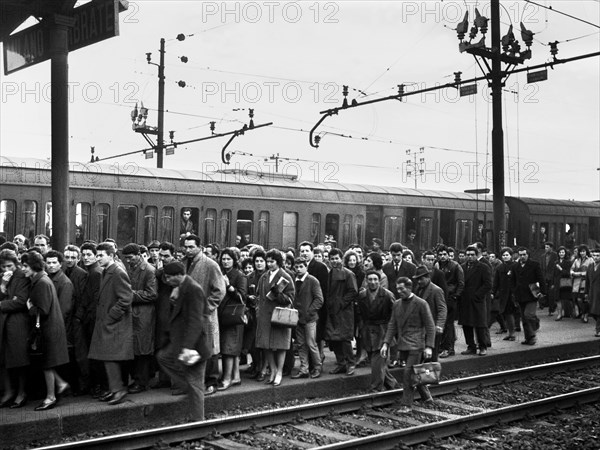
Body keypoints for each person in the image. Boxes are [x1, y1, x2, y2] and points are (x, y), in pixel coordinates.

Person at [156, 261, 211, 421]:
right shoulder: (182, 286)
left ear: (178, 276)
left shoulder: (193, 289)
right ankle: (186, 387)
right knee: (163, 357)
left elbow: (196, 321)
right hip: (180, 341)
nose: (167, 281)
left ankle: (198, 422)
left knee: (195, 384)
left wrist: (187, 347)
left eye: (168, 278)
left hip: (194, 345)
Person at [22, 251, 70, 411]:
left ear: (33, 266)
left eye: (25, 266)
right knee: (47, 363)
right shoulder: (42, 279)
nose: (23, 269)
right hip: (51, 328)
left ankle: (51, 397)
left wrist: (30, 308)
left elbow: (43, 310)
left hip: (48, 329)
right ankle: (61, 385)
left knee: (47, 363)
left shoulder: (41, 282)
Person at [88, 242, 134, 406]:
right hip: (109, 323)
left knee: (110, 358)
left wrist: (110, 317)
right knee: (107, 358)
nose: (97, 258)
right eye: (97, 255)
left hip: (114, 324)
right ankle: (115, 389)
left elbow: (126, 298)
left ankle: (118, 390)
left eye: (101, 255)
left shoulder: (117, 272)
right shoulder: (107, 271)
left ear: (111, 255)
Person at [381, 277, 435, 413]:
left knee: (408, 374)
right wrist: (386, 343)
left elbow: (430, 326)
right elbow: (392, 325)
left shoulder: (421, 303)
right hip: (403, 344)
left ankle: (407, 404)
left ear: (409, 288)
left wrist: (429, 346)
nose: (399, 291)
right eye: (397, 289)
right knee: (415, 372)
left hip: (417, 345)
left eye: (402, 289)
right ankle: (427, 397)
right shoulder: (397, 304)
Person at [183, 235, 225, 396]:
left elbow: (219, 290)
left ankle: (211, 382)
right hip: (189, 315)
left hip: (205, 315)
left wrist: (205, 307)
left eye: (191, 247)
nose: (187, 250)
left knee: (210, 347)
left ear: (199, 247)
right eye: (185, 247)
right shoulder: (184, 263)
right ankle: (195, 381)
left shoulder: (210, 265)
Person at [255, 249, 295, 386]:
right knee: (266, 344)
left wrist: (278, 294)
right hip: (265, 315)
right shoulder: (264, 277)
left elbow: (290, 298)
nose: (269, 264)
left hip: (280, 315)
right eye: (268, 261)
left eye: (272, 261)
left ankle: (279, 372)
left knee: (280, 345)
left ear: (278, 262)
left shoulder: (286, 276)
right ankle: (272, 370)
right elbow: (259, 296)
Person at [122, 243, 157, 394]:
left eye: (130, 258)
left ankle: (141, 382)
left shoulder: (149, 270)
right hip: (134, 313)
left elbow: (152, 294)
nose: (128, 261)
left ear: (138, 255)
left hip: (144, 315)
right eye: (126, 258)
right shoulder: (132, 268)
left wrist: (130, 295)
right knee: (135, 348)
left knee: (143, 349)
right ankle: (137, 380)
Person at [357, 270, 398, 392]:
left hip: (382, 331)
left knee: (377, 360)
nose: (373, 282)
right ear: (366, 281)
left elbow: (394, 314)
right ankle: (392, 384)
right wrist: (360, 328)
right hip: (367, 330)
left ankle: (376, 387)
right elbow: (359, 313)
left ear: (379, 281)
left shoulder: (387, 295)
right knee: (376, 361)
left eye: (375, 279)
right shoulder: (362, 295)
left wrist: (391, 333)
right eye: (370, 279)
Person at [0, 249, 31, 408]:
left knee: (19, 358)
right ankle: (8, 391)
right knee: (3, 359)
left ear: (16, 264)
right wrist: (3, 285)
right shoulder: (3, 278)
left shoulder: (22, 277)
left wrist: (2, 304)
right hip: (4, 322)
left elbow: (20, 301)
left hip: (18, 323)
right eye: (3, 267)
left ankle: (21, 392)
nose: (6, 270)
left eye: (9, 266)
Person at [217, 248, 247, 390]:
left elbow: (242, 297)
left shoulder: (240, 276)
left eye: (228, 259)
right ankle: (236, 377)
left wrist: (229, 286)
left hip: (233, 316)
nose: (225, 261)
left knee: (229, 348)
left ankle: (227, 378)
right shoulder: (220, 273)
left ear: (234, 260)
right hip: (222, 315)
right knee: (230, 347)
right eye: (223, 259)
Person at [326, 248, 358, 376]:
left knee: (344, 339)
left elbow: (353, 291)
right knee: (333, 338)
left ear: (341, 259)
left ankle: (350, 363)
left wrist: (341, 303)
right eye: (332, 259)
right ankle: (341, 364)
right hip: (332, 311)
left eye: (337, 258)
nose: (334, 261)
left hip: (344, 312)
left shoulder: (348, 274)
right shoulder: (329, 274)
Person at [291, 256, 324, 379]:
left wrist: (309, 312)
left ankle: (317, 367)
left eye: (301, 267)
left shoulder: (312, 280)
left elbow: (319, 299)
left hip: (310, 318)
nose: (298, 269)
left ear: (306, 267)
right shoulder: (294, 280)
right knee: (300, 344)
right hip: (297, 318)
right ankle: (304, 369)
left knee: (311, 344)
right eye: (296, 267)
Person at [458, 246, 492, 356]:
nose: (470, 257)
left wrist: (478, 295)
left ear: (476, 255)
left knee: (480, 324)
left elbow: (488, 284)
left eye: (472, 255)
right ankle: (471, 346)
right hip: (465, 300)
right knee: (466, 324)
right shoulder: (462, 267)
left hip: (477, 300)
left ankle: (483, 346)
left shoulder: (483, 267)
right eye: (468, 255)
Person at [412, 266, 447, 361]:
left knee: (431, 357)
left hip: (432, 328)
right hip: (420, 328)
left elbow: (442, 309)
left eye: (421, 279)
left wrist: (439, 326)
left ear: (428, 277)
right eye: (417, 279)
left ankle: (432, 375)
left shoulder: (436, 290)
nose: (419, 281)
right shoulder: (417, 289)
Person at [436, 245, 464, 359]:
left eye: (444, 254)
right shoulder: (437, 265)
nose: (442, 257)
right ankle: (442, 347)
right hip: (440, 297)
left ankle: (449, 348)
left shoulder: (455, 266)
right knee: (441, 323)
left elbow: (461, 283)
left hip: (450, 298)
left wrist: (456, 296)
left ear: (448, 255)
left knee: (448, 324)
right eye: (440, 254)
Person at [514, 247, 545, 345]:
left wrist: (542, 291)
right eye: (520, 255)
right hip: (520, 294)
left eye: (524, 254)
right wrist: (513, 292)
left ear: (528, 255)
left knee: (528, 315)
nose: (522, 257)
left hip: (532, 293)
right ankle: (528, 338)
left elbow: (541, 278)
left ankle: (532, 334)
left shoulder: (534, 265)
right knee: (523, 318)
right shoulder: (516, 266)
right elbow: (513, 280)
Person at [492, 248, 518, 341]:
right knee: (506, 313)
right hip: (503, 294)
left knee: (509, 313)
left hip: (513, 294)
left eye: (507, 255)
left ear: (511, 256)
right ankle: (510, 332)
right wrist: (493, 292)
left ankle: (512, 334)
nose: (505, 257)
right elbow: (496, 282)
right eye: (503, 255)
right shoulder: (500, 268)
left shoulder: (515, 266)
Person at [571, 245, 593, 322]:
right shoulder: (576, 260)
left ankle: (585, 315)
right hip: (576, 283)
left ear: (586, 251)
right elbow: (571, 270)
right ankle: (583, 312)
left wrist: (578, 273)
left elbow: (590, 272)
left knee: (585, 299)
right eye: (580, 251)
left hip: (585, 282)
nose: (582, 253)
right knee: (578, 299)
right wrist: (573, 273)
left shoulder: (590, 260)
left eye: (583, 251)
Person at [554, 246, 573, 320]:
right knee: (557, 299)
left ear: (565, 253)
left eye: (563, 252)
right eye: (560, 252)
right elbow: (554, 274)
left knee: (567, 298)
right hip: (557, 282)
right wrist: (553, 283)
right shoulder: (556, 262)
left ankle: (571, 312)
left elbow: (568, 273)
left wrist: (561, 269)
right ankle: (559, 314)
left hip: (565, 282)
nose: (561, 254)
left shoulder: (568, 262)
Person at [540, 242, 558, 315]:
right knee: (544, 293)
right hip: (544, 277)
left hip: (552, 277)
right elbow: (541, 267)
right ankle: (544, 305)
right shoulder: (542, 256)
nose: (546, 249)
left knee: (551, 294)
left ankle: (551, 309)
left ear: (551, 248)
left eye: (547, 247)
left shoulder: (555, 255)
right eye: (545, 247)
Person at [586, 248, 600, 337]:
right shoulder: (590, 266)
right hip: (592, 293)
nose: (595, 257)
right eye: (594, 255)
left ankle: (598, 330)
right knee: (593, 312)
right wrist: (586, 293)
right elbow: (587, 281)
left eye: (598, 255)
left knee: (598, 312)